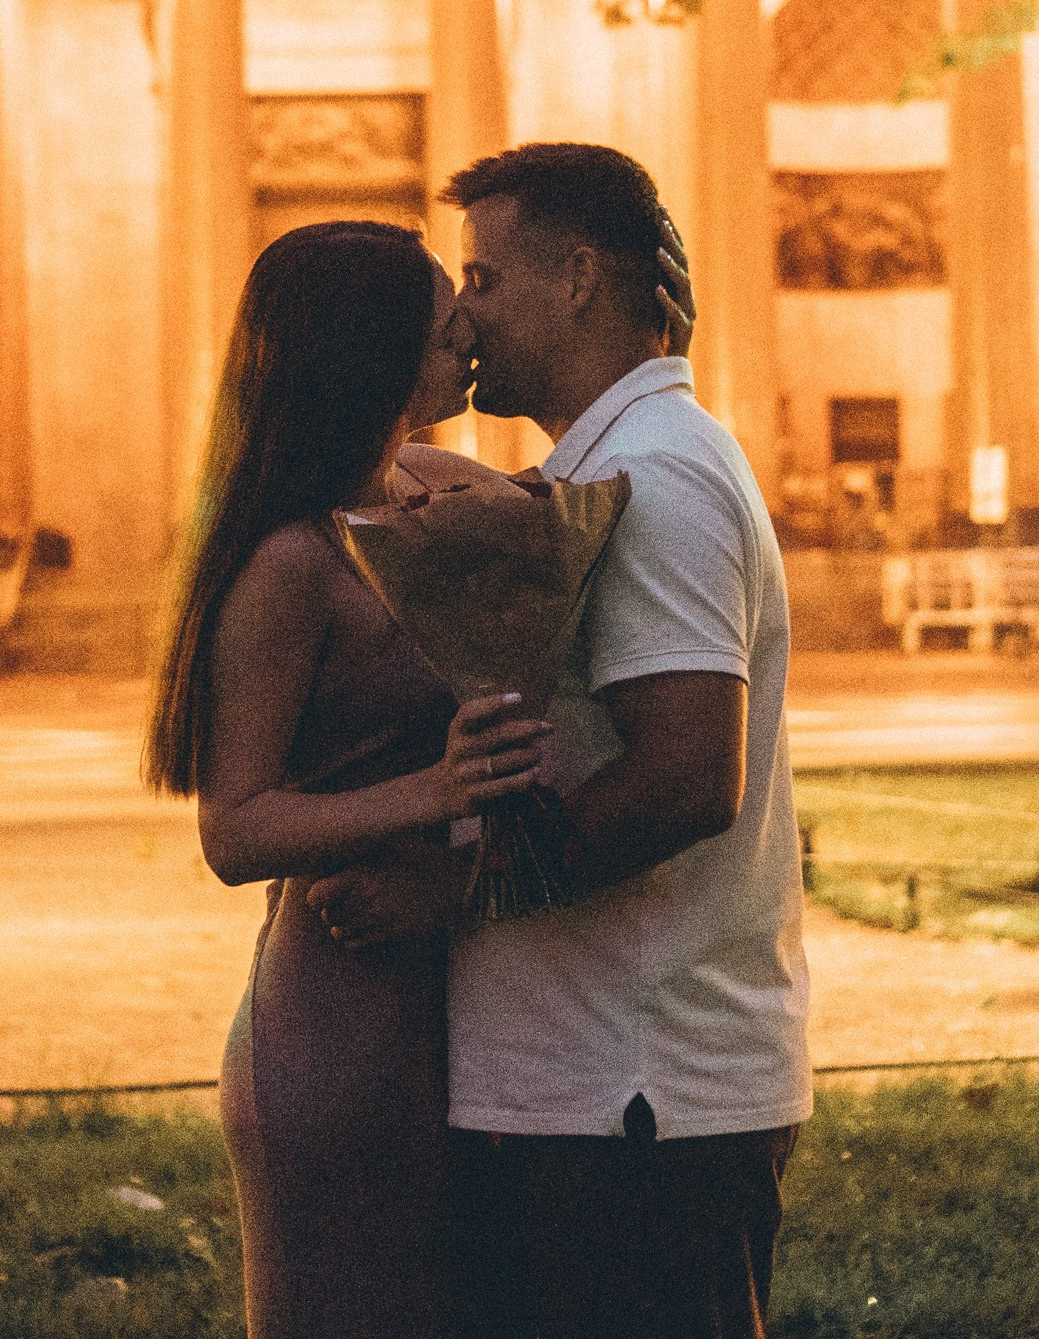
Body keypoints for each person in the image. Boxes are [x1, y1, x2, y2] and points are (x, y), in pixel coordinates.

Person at [309, 143, 813, 1339]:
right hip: (592, 1084)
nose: (465, 314)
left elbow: (687, 775)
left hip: (636, 1090)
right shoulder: (598, 467)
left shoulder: (659, 477)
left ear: (579, 277)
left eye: (482, 280)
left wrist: (450, 893)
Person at [144, 220, 553, 1339]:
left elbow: (574, 520)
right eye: (438, 325)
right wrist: (437, 791)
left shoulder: (427, 485)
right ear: (365, 355)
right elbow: (234, 830)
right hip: (338, 1020)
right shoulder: (289, 564)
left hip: (450, 996)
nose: (466, 330)